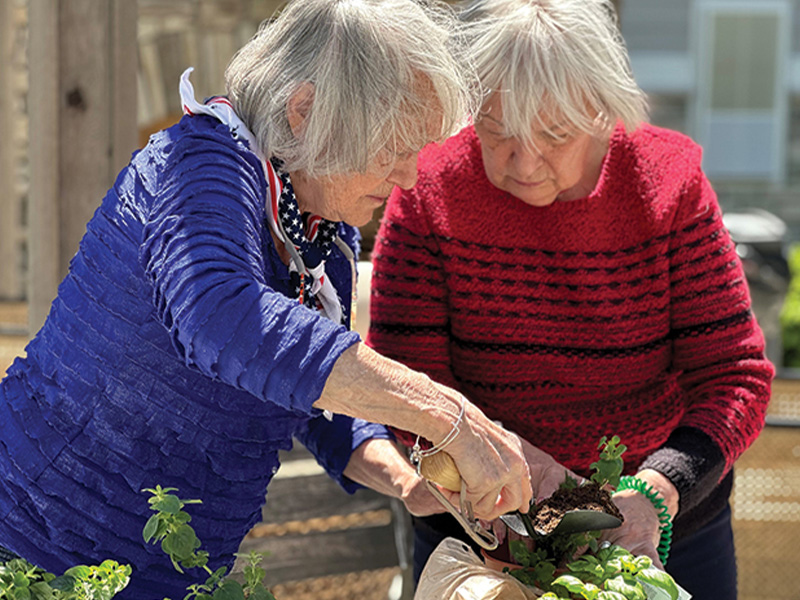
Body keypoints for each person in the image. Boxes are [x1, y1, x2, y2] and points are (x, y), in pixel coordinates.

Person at [0, 0, 533, 597]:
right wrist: (446, 415)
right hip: (35, 545)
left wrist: (410, 482)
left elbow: (312, 397)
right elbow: (224, 316)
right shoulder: (200, 165)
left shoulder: (323, 237)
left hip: (170, 574)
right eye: (393, 146)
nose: (409, 177)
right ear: (303, 111)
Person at [366, 0, 774, 597]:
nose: (524, 162)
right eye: (497, 132)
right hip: (488, 528)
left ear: (604, 109)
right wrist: (497, 454)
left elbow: (736, 376)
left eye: (554, 135)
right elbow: (406, 377)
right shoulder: (429, 187)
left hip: (665, 523)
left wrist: (657, 491)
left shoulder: (669, 184)